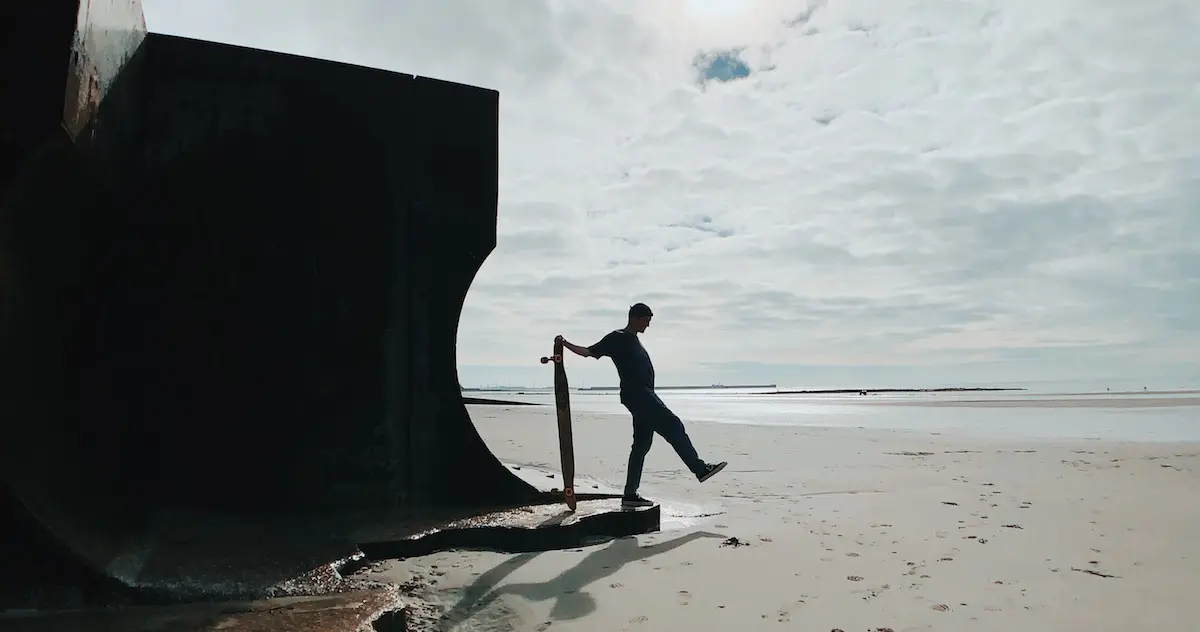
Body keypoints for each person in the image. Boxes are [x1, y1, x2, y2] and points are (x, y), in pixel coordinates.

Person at [558, 302, 727, 508]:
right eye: (647, 320)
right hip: (639, 396)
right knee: (673, 425)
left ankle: (630, 494)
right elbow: (589, 352)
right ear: (636, 318)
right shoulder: (618, 337)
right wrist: (565, 343)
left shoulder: (634, 340)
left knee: (640, 447)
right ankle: (700, 469)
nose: (648, 325)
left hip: (641, 396)